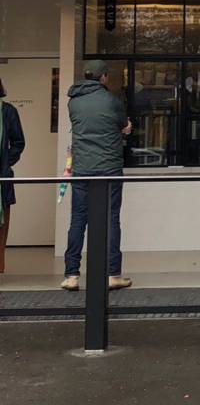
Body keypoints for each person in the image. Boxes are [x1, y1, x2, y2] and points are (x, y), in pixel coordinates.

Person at [62, 60, 133, 292]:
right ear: (103, 77)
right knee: (111, 218)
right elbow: (122, 125)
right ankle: (113, 274)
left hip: (82, 168)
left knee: (78, 219)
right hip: (109, 168)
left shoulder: (73, 102)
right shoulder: (112, 101)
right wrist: (127, 127)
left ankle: (71, 275)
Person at [0, 76, 26, 281]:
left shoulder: (8, 111)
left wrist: (6, 162)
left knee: (1, 228)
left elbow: (18, 142)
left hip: (1, 179)